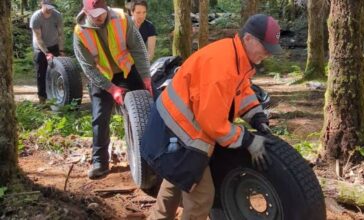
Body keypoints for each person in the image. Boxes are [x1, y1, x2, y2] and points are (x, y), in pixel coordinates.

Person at [141, 14, 283, 219]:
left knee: (176, 180)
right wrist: (248, 140)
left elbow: (241, 90)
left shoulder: (237, 57)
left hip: (174, 128)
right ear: (249, 38)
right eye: (265, 48)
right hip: (175, 133)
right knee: (201, 197)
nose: (268, 54)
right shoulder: (221, 66)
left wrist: (257, 118)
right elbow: (213, 123)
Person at [73, 0, 152, 179]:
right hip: (102, 76)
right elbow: (88, 68)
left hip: (126, 69)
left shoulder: (122, 18)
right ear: (86, 13)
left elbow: (138, 48)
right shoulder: (80, 32)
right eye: (94, 15)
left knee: (147, 106)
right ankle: (100, 162)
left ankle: (151, 156)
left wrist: (146, 76)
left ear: (106, 7)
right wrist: (111, 89)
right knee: (100, 117)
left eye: (101, 13)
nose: (99, 17)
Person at [30, 0, 64, 104]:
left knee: (57, 71)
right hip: (40, 48)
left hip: (54, 45)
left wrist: (61, 50)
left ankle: (56, 96)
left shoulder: (57, 15)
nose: (49, 9)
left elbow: (61, 34)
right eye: (47, 6)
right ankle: (42, 99)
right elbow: (38, 38)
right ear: (42, 4)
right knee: (42, 73)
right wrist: (46, 52)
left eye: (51, 7)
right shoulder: (36, 17)